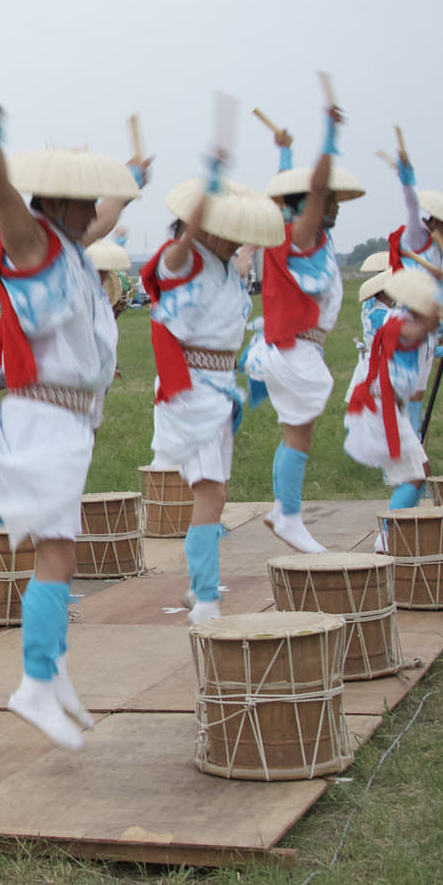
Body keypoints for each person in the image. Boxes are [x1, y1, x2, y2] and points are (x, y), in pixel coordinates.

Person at [0, 91, 141, 751]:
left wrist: (133, 180)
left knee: (62, 551)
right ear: (58, 203)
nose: (94, 213)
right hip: (39, 422)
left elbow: (108, 215)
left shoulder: (71, 244)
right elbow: (3, 193)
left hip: (65, 423)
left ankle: (54, 668)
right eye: (84, 203)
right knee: (56, 553)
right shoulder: (30, 240)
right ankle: (34, 682)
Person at [143, 171, 284, 625]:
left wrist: (258, 228)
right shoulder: (182, 260)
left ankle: (199, 588)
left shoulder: (226, 266)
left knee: (216, 495)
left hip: (220, 390)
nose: (236, 240)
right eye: (229, 230)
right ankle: (205, 598)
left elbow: (243, 261)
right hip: (192, 391)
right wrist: (198, 214)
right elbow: (175, 255)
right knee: (211, 493)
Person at [248, 107, 365, 555]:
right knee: (298, 434)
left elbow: (290, 189)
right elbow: (311, 188)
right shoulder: (299, 235)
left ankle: (285, 510)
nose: (333, 205)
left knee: (297, 432)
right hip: (295, 349)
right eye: (329, 200)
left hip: (293, 348)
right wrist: (331, 134)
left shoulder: (294, 233)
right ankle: (288, 514)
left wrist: (285, 153)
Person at [345, 268, 443, 541]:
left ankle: (400, 531)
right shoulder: (393, 320)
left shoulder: (401, 322)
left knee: (420, 471)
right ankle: (388, 536)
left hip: (385, 405)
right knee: (415, 474)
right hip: (380, 407)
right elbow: (415, 333)